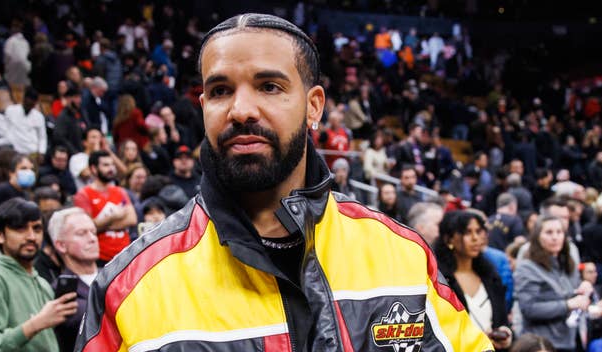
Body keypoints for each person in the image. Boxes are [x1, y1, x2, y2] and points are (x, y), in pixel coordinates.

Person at [75, 13, 492, 352]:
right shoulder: (128, 285)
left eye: (269, 86)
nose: (240, 110)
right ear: (203, 107)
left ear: (314, 107)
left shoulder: (402, 255)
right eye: (220, 91)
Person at [0, 198, 77, 351]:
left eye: (37, 229)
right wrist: (36, 324)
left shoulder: (42, 283)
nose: (31, 236)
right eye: (20, 229)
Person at [434, 210, 511, 351]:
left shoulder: (490, 275)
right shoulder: (439, 280)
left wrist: (505, 334)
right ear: (449, 239)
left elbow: (502, 319)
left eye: (478, 231)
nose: (475, 238)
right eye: (467, 232)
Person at [514, 215, 592, 352]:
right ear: (538, 236)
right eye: (549, 232)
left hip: (570, 339)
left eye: (559, 232)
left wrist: (581, 291)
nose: (555, 237)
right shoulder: (527, 268)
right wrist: (568, 304)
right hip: (542, 344)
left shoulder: (567, 264)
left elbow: (566, 295)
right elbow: (529, 309)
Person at [48, 207, 99, 352]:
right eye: (82, 233)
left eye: (93, 232)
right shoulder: (60, 292)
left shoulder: (114, 277)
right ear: (61, 245)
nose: (92, 238)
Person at [73, 150, 136, 265]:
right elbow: (88, 227)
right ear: (93, 168)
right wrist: (114, 217)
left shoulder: (120, 191)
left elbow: (132, 219)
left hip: (126, 255)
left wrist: (100, 225)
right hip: (100, 258)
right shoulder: (83, 195)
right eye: (106, 165)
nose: (111, 168)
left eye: (112, 164)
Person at [2, 87, 48, 157]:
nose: (30, 106)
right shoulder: (11, 110)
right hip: (14, 150)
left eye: (32, 104)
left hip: (32, 151)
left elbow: (42, 137)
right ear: (24, 99)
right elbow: (4, 130)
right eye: (28, 103)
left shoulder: (39, 116)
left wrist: (41, 152)